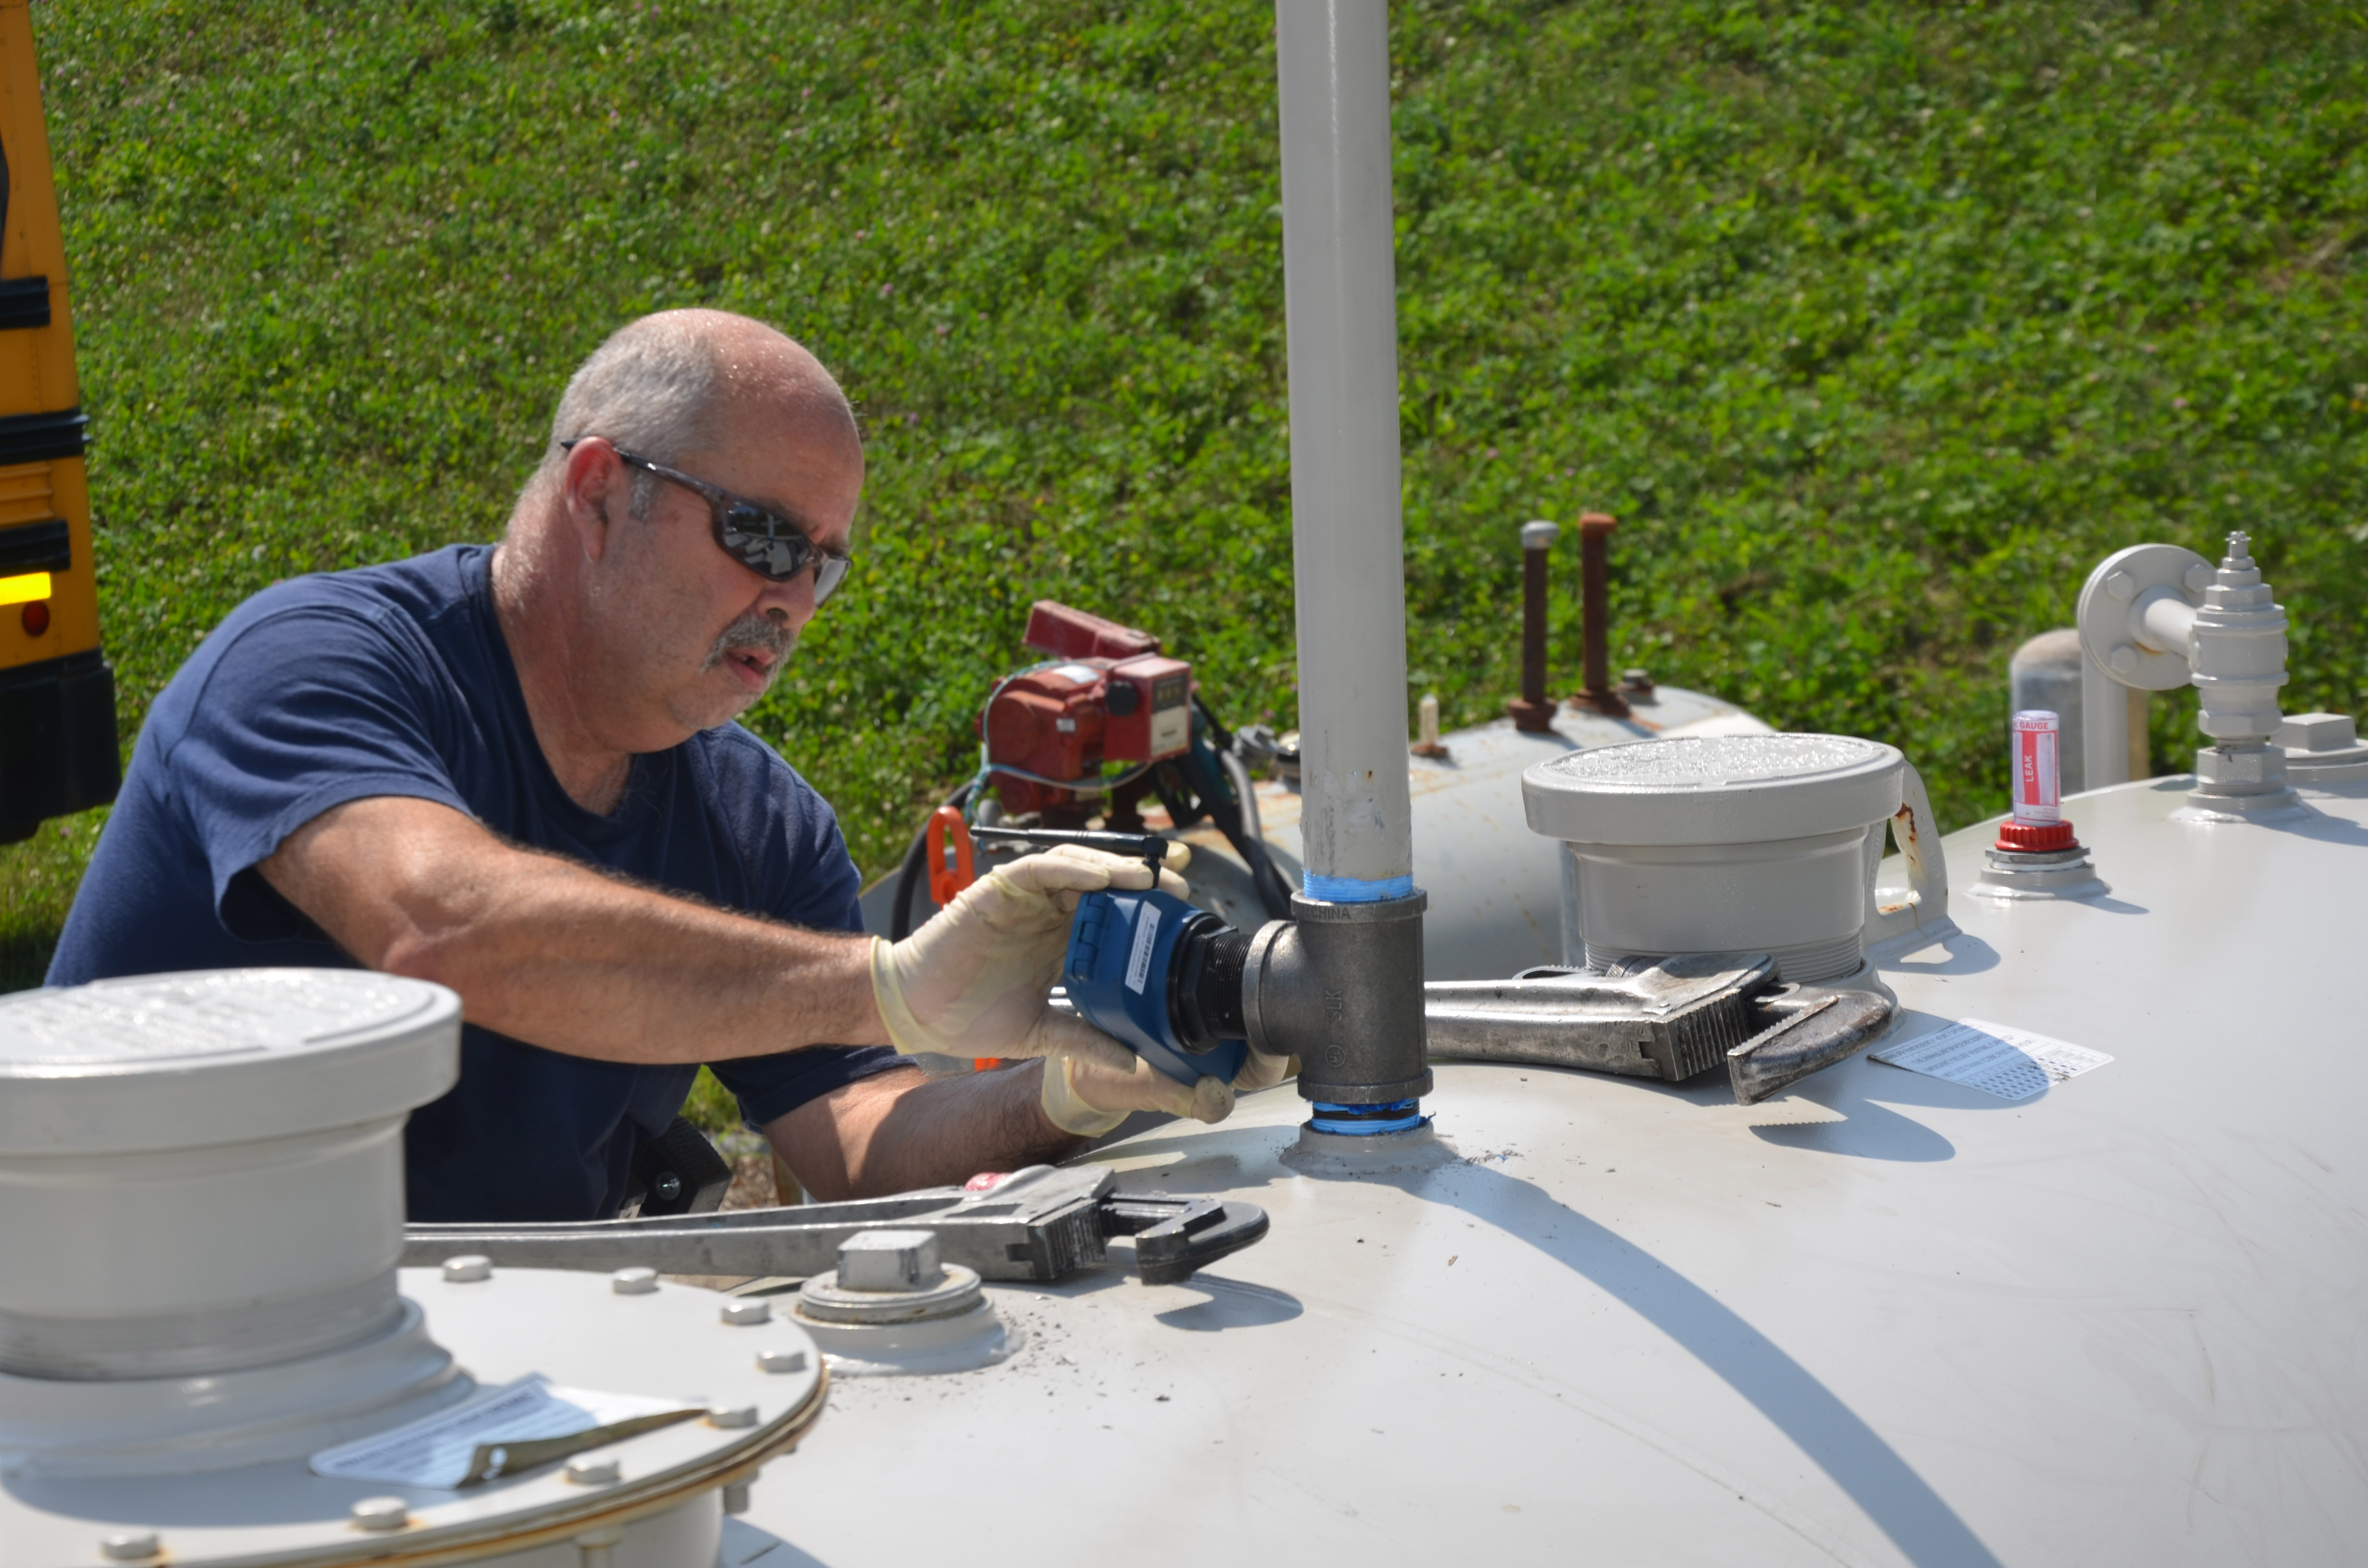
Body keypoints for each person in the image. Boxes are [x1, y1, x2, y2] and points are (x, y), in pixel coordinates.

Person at [48, 309, 1276, 1221]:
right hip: (125, 1351)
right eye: (762, 536)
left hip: (478, 1378)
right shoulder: (313, 664)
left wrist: (1064, 1100)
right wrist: (883, 984)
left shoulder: (756, 822)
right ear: (597, 494)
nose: (792, 600)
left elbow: (852, 1134)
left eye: (823, 565)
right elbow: (439, 928)